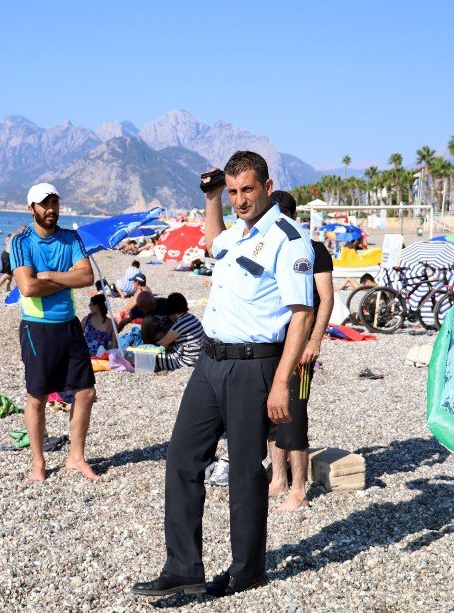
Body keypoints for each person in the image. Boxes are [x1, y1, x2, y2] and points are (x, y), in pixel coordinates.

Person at [133, 151, 314, 598]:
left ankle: (247, 568)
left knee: (243, 472)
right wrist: (211, 196)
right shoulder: (238, 232)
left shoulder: (289, 239)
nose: (240, 199)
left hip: (255, 366)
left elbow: (303, 314)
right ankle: (183, 568)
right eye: (233, 192)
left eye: (247, 190)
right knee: (182, 457)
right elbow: (215, 240)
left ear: (268, 187)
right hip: (210, 362)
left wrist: (281, 383)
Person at [10, 183, 99, 483]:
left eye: (54, 203)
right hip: (37, 328)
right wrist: (66, 280)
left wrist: (48, 276)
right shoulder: (20, 242)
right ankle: (38, 463)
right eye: (44, 204)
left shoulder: (71, 238)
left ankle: (76, 457)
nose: (51, 209)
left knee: (85, 392)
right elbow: (27, 287)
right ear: (31, 208)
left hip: (69, 325)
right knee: (37, 396)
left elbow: (87, 276)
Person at [267, 190, 334, 512]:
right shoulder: (273, 248)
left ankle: (299, 489)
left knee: (293, 413)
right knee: (270, 414)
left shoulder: (314, 249)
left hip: (301, 347)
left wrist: (315, 340)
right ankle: (278, 479)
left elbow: (327, 297)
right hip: (271, 344)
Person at [154, 293, 205, 371]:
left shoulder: (180, 324)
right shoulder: (191, 317)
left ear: (171, 310)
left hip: (185, 362)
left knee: (149, 359)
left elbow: (161, 344)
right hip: (197, 358)